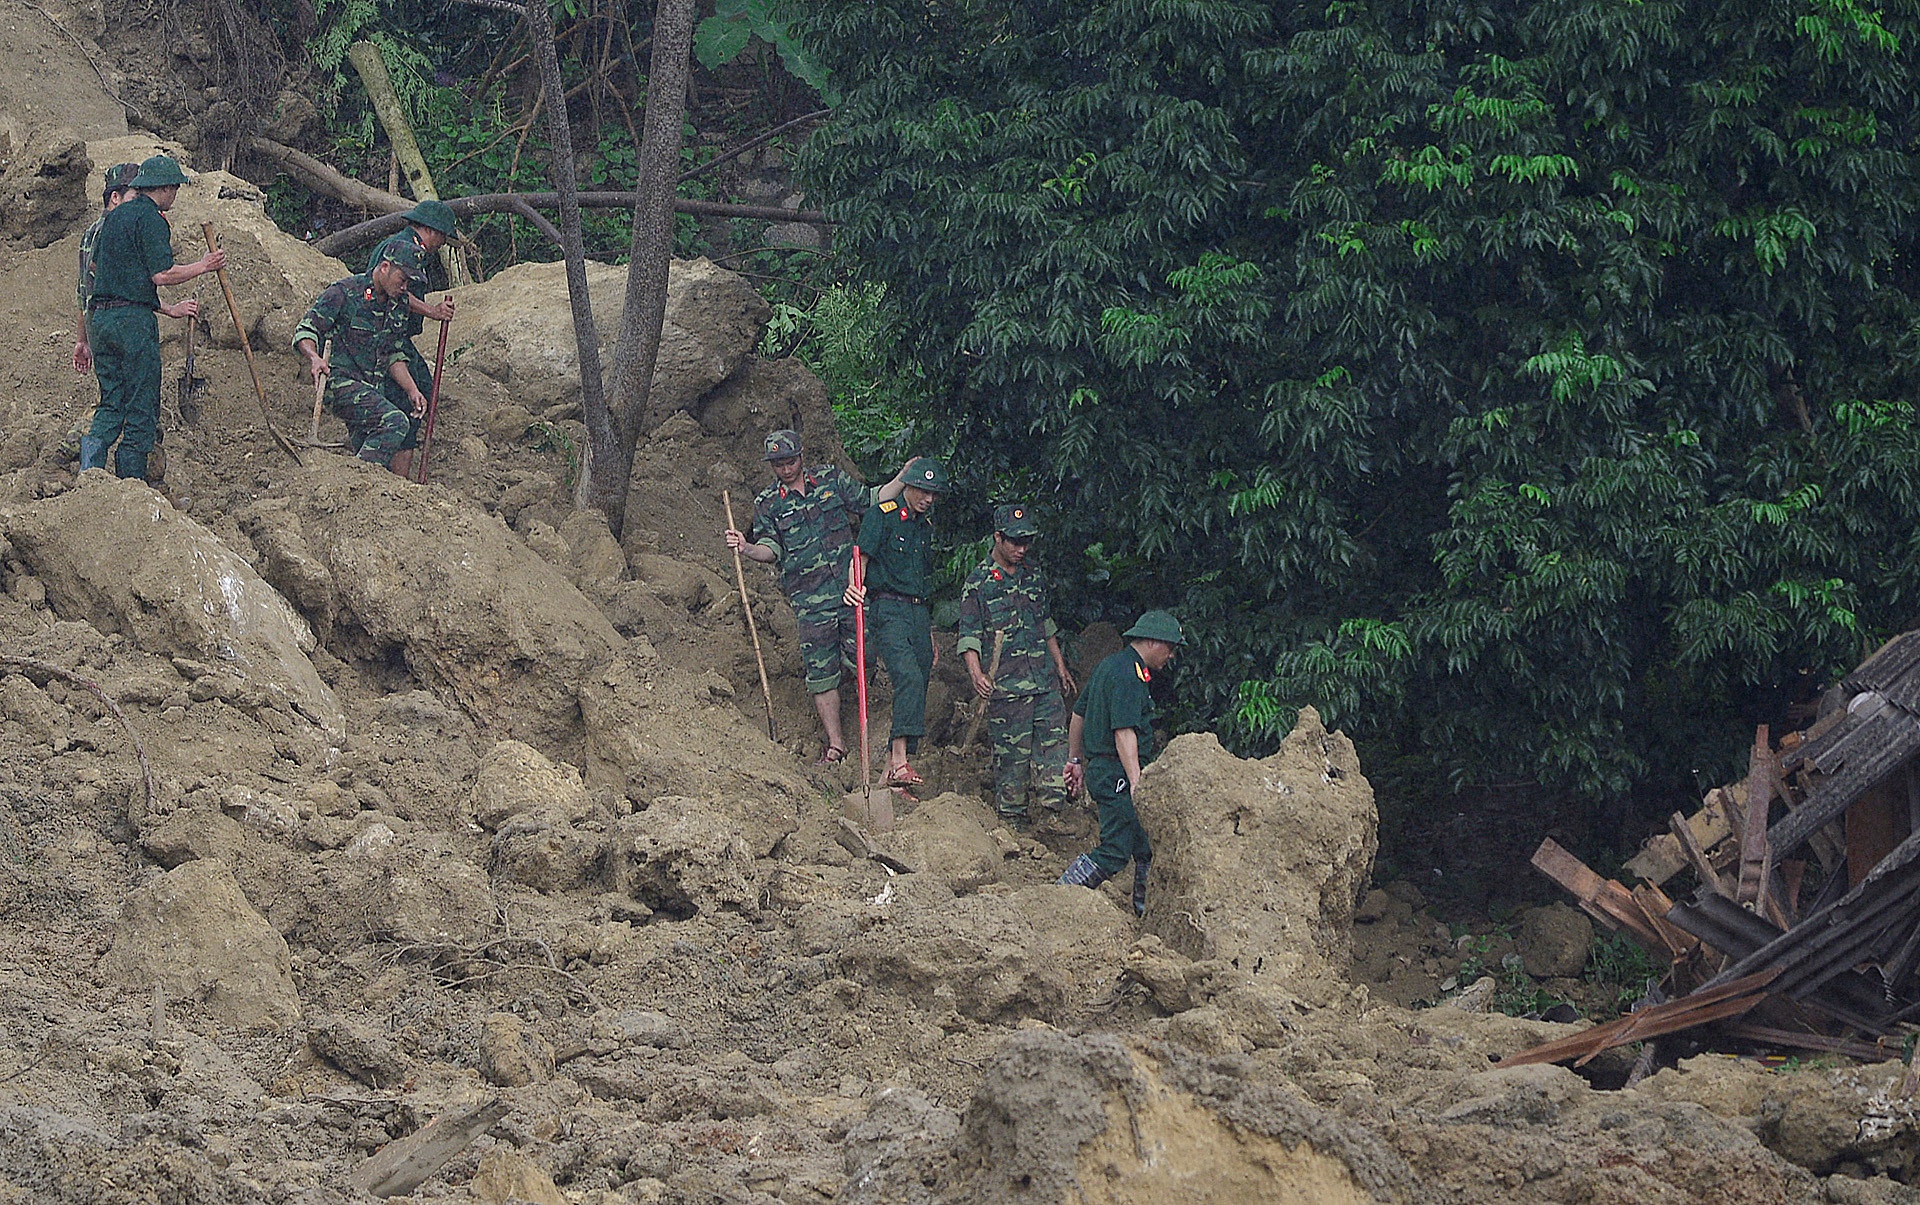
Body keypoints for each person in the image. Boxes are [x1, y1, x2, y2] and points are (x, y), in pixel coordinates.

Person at [723, 430, 908, 763]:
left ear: (801, 455)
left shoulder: (830, 479)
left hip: (850, 591)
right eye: (777, 464)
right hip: (809, 602)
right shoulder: (768, 503)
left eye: (790, 461)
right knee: (821, 672)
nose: (785, 469)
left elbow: (870, 499)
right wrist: (746, 546)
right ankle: (837, 744)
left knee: (865, 658)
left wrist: (903, 477)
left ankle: (871, 728)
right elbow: (771, 549)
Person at [81, 154, 225, 478]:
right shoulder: (152, 219)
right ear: (166, 188)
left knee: (111, 401)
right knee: (141, 406)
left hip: (100, 321)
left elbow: (96, 267)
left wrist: (159, 305)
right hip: (132, 324)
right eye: (175, 189)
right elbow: (162, 274)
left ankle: (88, 474)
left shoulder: (113, 218)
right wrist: (204, 265)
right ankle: (131, 487)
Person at [955, 502, 1076, 828]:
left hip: (1043, 679)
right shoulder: (978, 583)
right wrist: (976, 674)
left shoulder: (1033, 574)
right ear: (997, 537)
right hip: (1007, 687)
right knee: (1012, 757)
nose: (1022, 549)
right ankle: (1012, 821)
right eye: (1014, 542)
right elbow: (968, 635)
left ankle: (1054, 813)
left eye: (1027, 542)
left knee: (1053, 746)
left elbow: (1045, 623)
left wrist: (1060, 666)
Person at [1058, 610, 1185, 916]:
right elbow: (1123, 732)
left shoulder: (1111, 665)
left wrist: (1074, 760)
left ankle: (1145, 912)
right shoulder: (1129, 676)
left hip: (1105, 770)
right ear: (1154, 642)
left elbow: (1079, 713)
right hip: (1117, 773)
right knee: (1115, 850)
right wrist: (1136, 782)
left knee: (1145, 845)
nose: (1171, 656)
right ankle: (1060, 895)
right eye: (1170, 648)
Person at [844, 456, 948, 787]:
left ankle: (890, 769)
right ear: (908, 486)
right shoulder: (883, 515)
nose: (928, 499)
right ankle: (901, 761)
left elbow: (921, 579)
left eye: (933, 493)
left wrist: (929, 631)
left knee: (921, 677)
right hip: (888, 607)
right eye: (922, 491)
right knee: (907, 676)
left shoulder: (924, 527)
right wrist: (854, 586)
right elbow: (860, 556)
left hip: (918, 612)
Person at [292, 241, 429, 476]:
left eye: (410, 283)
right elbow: (306, 329)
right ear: (385, 267)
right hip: (340, 384)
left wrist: (412, 390)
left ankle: (357, 492)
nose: (406, 287)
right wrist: (314, 358)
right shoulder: (344, 292)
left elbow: (394, 354)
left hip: (371, 389)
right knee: (395, 422)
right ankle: (358, 479)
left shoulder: (397, 305)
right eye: (402, 279)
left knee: (374, 455)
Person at [58, 162, 141, 463]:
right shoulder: (117, 230)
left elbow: (83, 292)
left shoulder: (89, 233)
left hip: (97, 324)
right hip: (120, 323)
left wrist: (83, 339)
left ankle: (89, 468)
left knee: (111, 398)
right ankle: (126, 476)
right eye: (135, 196)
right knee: (133, 401)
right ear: (115, 198)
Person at [365, 200, 457, 429]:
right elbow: (395, 291)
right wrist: (432, 311)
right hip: (385, 332)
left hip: (398, 334)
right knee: (407, 394)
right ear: (430, 230)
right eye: (442, 236)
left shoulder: (412, 249)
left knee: (424, 385)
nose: (443, 243)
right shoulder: (402, 248)